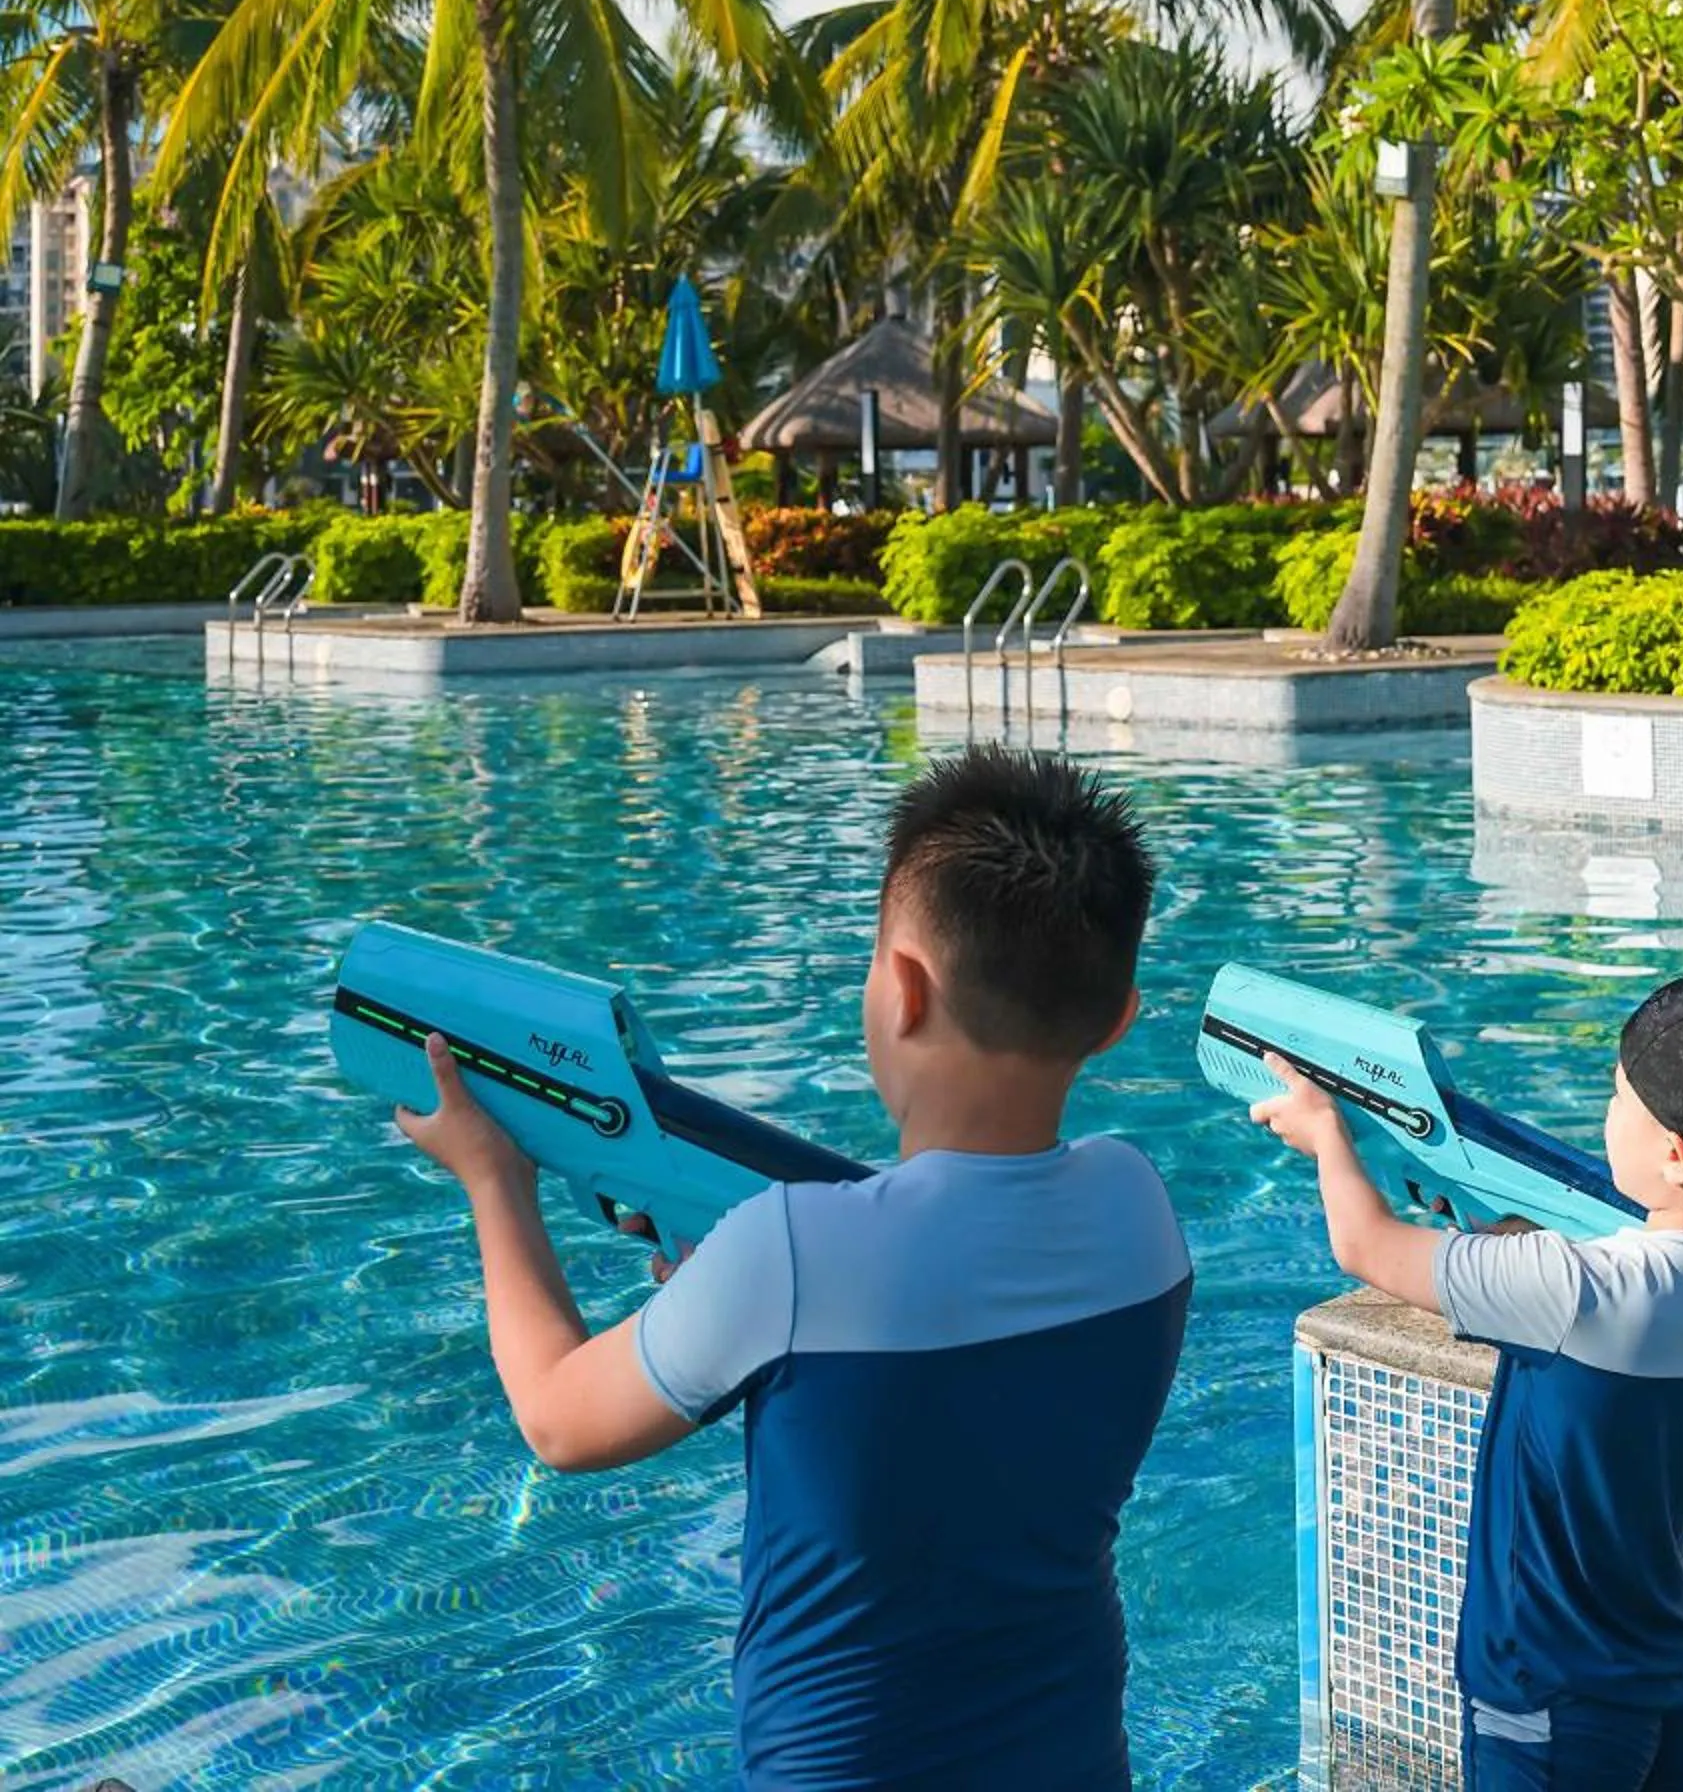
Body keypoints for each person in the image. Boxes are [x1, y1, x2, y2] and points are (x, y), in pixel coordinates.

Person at [395, 744, 1190, 1791]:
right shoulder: (1140, 1212)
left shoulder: (784, 1254)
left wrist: (493, 1178)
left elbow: (556, 1419)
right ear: (1117, 1020)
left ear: (900, 989)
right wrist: (742, 1299)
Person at [1253, 969, 1683, 1792]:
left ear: (1673, 1155)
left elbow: (1365, 1245)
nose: (1608, 1117)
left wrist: (1325, 1135)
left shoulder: (1573, 1288)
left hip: (1552, 1687)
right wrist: (1508, 1238)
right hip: (1671, 1670)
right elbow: (1636, 1297)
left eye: (1617, 1099)